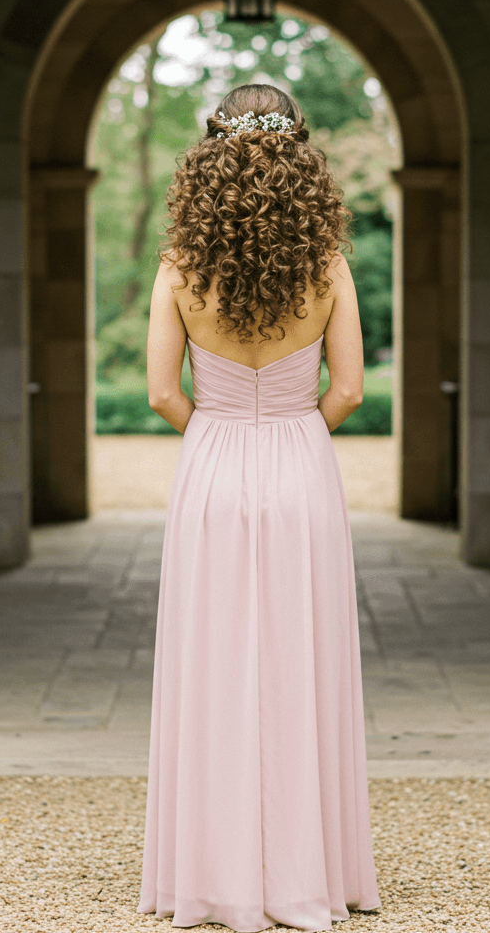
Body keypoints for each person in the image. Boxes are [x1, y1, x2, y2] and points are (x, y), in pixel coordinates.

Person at [137, 83, 381, 932]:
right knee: (301, 659)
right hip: (299, 459)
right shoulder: (327, 266)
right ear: (302, 156)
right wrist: (289, 430)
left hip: (212, 461)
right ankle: (312, 874)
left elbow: (163, 391)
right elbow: (348, 389)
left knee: (213, 662)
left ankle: (208, 877)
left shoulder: (179, 264)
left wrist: (221, 430)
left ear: (210, 154)